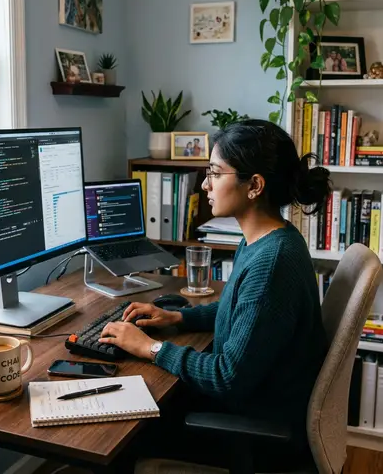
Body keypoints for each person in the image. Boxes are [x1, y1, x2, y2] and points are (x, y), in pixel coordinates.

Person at [100, 119, 332, 471]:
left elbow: (226, 377)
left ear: (254, 185)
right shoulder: (268, 239)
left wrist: (149, 347)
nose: (205, 184)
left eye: (215, 173)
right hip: (254, 400)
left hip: (255, 430)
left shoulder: (272, 264)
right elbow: (241, 311)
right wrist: (178, 318)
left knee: (121, 432)